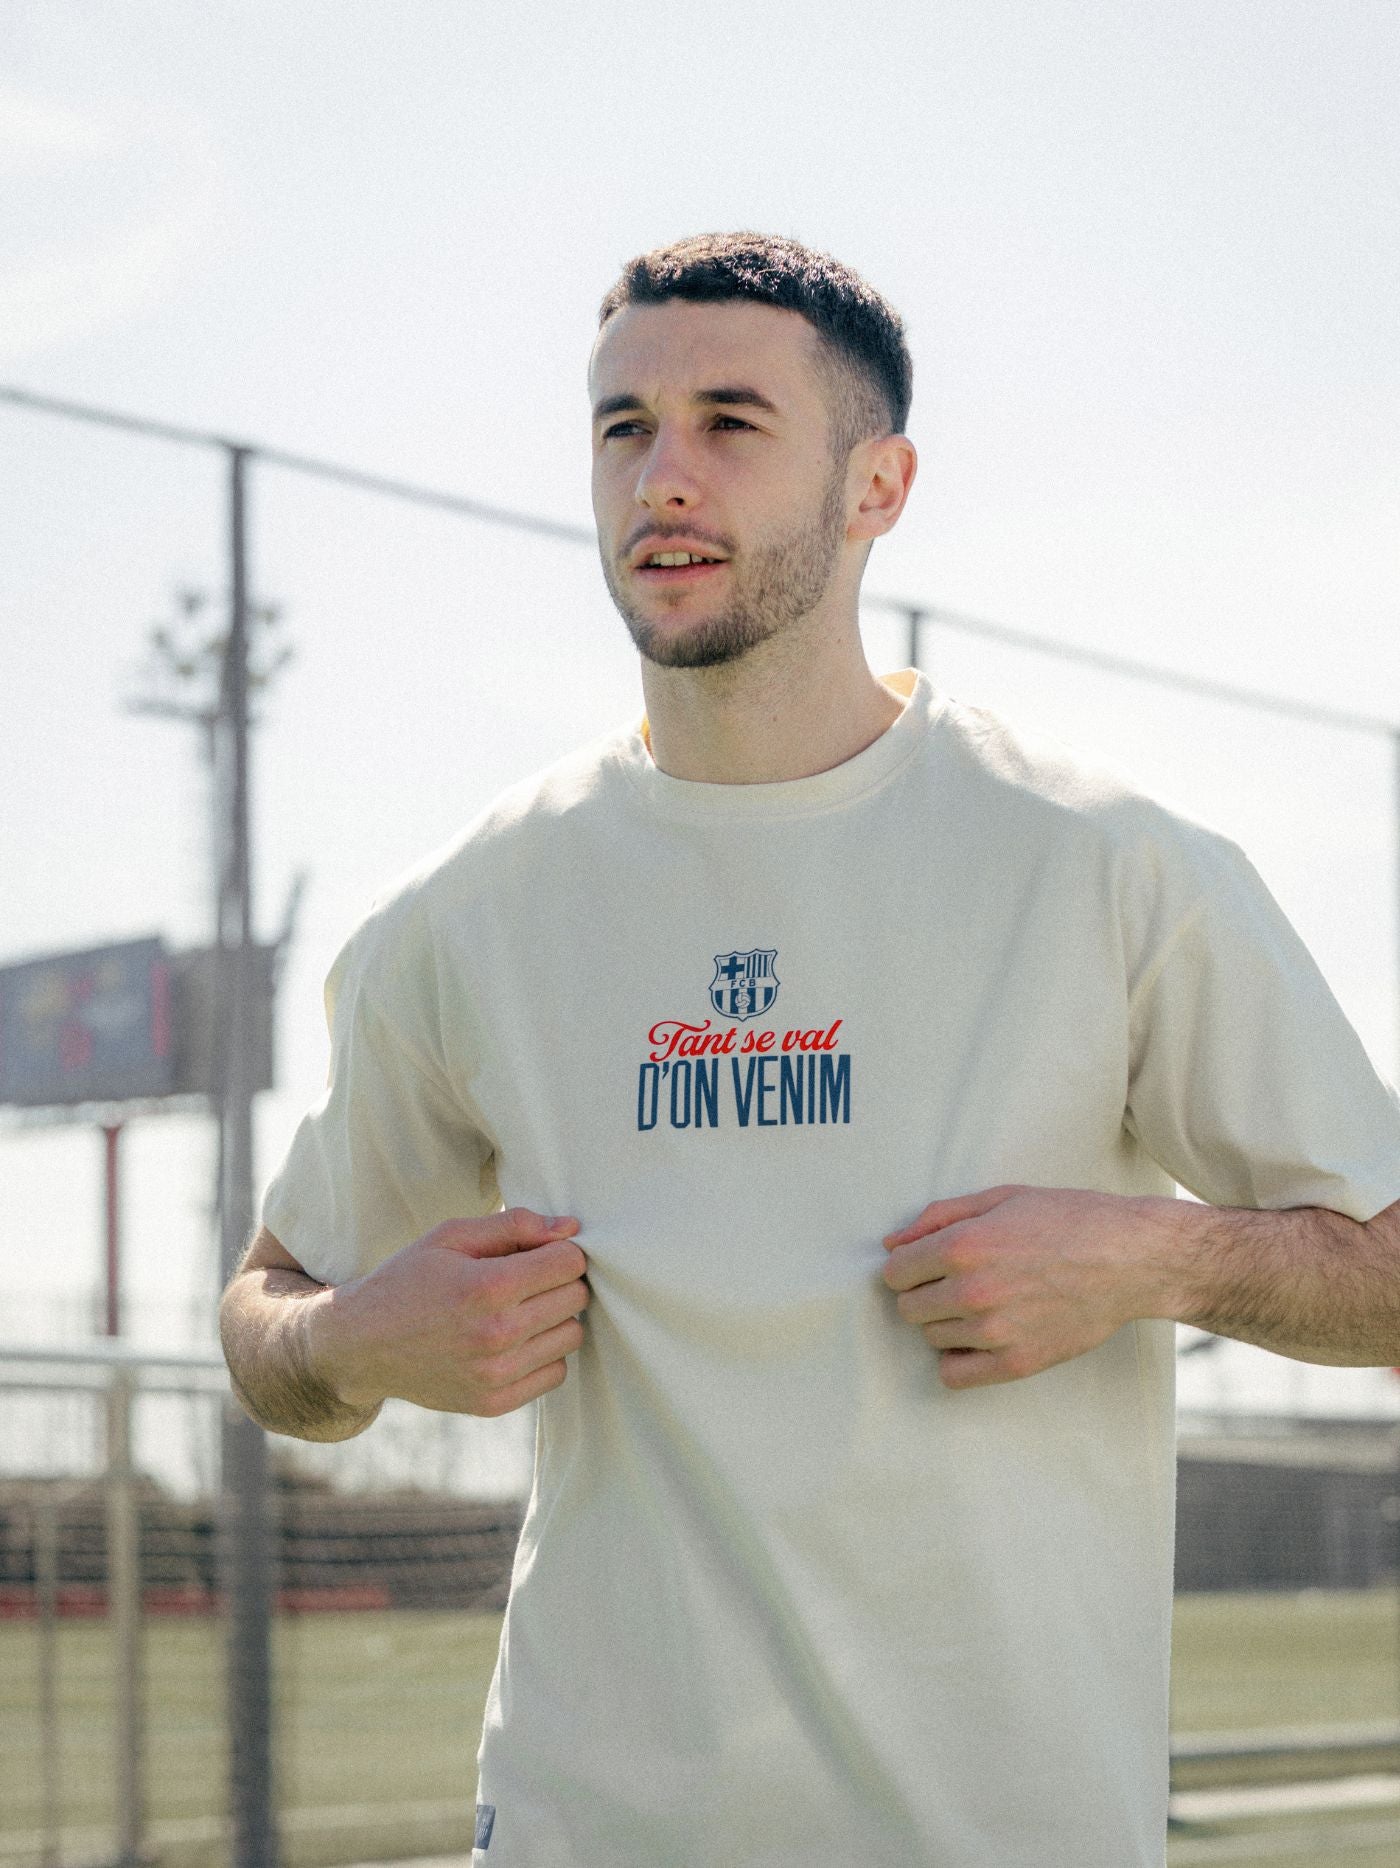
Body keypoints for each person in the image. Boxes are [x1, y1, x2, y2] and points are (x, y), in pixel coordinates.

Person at [220, 230, 1400, 1867]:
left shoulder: (1109, 866)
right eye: (623, 427)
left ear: (877, 486)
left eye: (731, 421)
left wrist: (1155, 1258)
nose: (663, 475)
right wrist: (355, 1336)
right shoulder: (474, 909)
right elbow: (265, 1315)